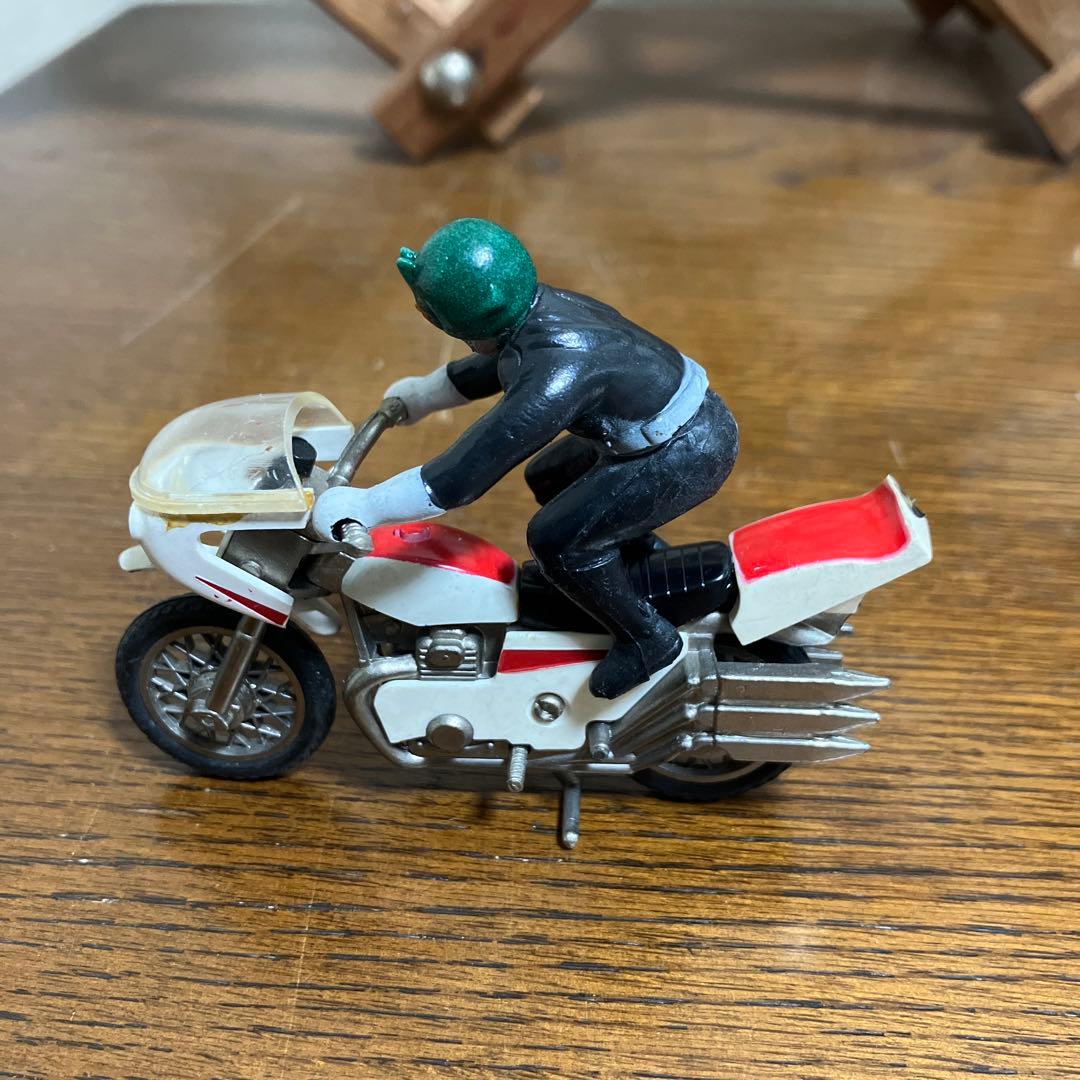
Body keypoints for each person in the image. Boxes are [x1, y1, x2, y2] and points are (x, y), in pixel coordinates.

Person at [313, 218, 738, 698]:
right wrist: (426, 396)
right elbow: (502, 361)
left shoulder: (561, 368)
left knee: (556, 540)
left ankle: (647, 638)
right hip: (670, 424)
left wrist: (369, 506)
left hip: (685, 450)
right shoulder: (542, 309)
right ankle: (626, 559)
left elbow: (465, 473)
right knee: (549, 475)